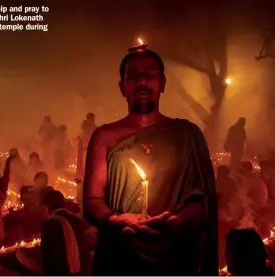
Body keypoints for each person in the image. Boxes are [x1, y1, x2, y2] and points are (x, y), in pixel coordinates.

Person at [83, 44, 218, 275]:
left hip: (174, 258)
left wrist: (177, 221)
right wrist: (117, 219)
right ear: (122, 87)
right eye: (133, 77)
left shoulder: (186, 135)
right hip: (121, 257)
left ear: (162, 83)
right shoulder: (104, 136)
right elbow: (92, 201)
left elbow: (203, 201)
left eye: (149, 76)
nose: (142, 83)